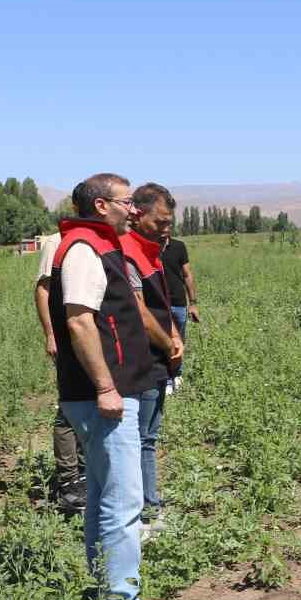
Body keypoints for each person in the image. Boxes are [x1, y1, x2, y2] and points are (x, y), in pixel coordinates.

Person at [51, 173, 154, 600]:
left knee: (101, 496)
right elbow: (78, 322)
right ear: (101, 206)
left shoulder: (94, 243)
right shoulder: (83, 250)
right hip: (102, 397)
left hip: (102, 394)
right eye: (127, 202)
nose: (133, 209)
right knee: (123, 501)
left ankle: (107, 589)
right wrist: (106, 386)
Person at [121, 183, 183, 528]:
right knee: (140, 440)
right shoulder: (128, 251)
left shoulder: (150, 250)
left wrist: (174, 333)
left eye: (169, 221)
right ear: (137, 214)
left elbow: (160, 305)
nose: (166, 228)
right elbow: (141, 315)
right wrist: (168, 343)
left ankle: (148, 505)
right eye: (160, 221)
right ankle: (146, 513)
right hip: (142, 361)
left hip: (157, 359)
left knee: (148, 437)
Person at [35, 230, 86, 514]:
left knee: (89, 405)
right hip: (69, 338)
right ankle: (69, 482)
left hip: (94, 339)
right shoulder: (57, 241)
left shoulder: (105, 238)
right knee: (69, 409)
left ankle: (86, 473)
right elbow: (43, 289)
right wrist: (50, 334)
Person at [159, 228, 198, 393]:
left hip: (179, 302)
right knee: (163, 340)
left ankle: (177, 373)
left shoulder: (179, 247)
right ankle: (166, 378)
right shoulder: (148, 247)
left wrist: (193, 303)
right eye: (161, 224)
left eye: (167, 225)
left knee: (179, 339)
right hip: (158, 303)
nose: (164, 229)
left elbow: (187, 274)